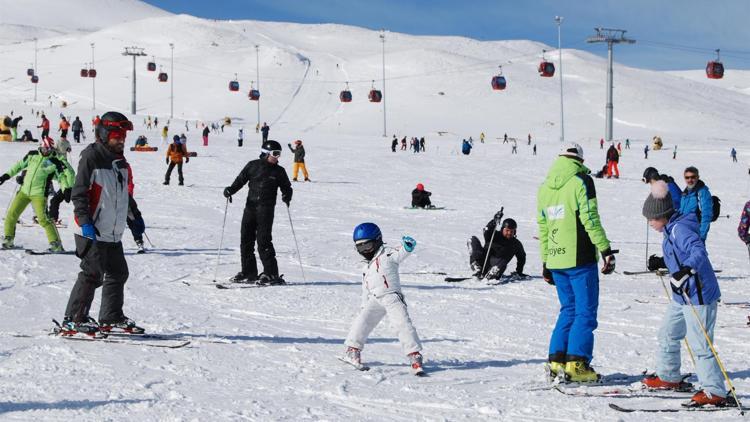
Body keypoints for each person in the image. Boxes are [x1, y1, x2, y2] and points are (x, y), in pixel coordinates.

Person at [641, 181, 728, 407]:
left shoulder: (680, 229)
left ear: (663, 215)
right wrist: (662, 262)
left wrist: (686, 270)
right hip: (682, 295)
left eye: (652, 219)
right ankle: (669, 376)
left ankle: (715, 390)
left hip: (698, 296)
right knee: (668, 333)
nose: (650, 223)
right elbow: (678, 256)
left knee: (700, 344)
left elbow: (698, 251)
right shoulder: (670, 229)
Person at [537, 142, 615, 382]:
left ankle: (556, 361)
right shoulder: (581, 180)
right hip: (579, 257)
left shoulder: (545, 187)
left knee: (568, 309)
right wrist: (605, 249)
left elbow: (544, 226)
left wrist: (546, 261)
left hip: (556, 258)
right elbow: (590, 218)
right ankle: (577, 364)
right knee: (585, 311)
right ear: (580, 160)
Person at [61, 111, 143, 335]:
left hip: (112, 230)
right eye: (117, 134)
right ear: (104, 134)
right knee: (92, 273)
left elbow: (124, 195)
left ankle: (111, 316)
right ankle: (74, 318)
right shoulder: (91, 157)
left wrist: (135, 217)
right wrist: (85, 222)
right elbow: (79, 193)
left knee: (118, 273)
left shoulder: (121, 162)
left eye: (124, 135)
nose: (122, 139)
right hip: (91, 229)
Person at [341, 223, 424, 375]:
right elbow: (365, 289)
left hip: (392, 296)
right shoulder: (366, 267)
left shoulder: (387, 254)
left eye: (367, 246)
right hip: (375, 299)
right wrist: (364, 305)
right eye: (360, 248)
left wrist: (407, 246)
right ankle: (352, 350)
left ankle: (414, 355)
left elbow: (401, 252)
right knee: (362, 322)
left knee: (402, 325)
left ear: (378, 240)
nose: (365, 251)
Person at [223, 140, 292, 284]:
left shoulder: (279, 171)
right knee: (246, 240)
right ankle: (249, 272)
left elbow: (287, 187)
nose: (277, 157)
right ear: (266, 153)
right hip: (250, 208)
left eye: (279, 154)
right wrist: (231, 190)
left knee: (263, 241)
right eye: (275, 154)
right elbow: (240, 180)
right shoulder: (252, 166)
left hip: (266, 210)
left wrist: (287, 195)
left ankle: (271, 273)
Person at [0, 137, 71, 251]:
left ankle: (56, 244)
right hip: (24, 192)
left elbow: (62, 178)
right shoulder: (32, 155)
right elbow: (18, 166)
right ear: (41, 146)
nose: (45, 151)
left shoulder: (54, 161)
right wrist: (6, 176)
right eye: (44, 148)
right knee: (11, 214)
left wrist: (66, 189)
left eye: (48, 149)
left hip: (39, 194)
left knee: (43, 219)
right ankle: (8, 240)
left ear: (51, 149)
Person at [468, 214, 526, 281]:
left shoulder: (516, 244)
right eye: (507, 230)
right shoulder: (494, 235)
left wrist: (519, 271)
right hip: (483, 260)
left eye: (512, 231)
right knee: (472, 239)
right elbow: (486, 230)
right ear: (502, 229)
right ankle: (477, 268)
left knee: (503, 261)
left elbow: (522, 257)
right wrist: (494, 221)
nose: (509, 233)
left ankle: (491, 276)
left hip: (496, 266)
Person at [678, 166, 713, 241]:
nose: (690, 180)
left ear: (698, 177)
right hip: (683, 233)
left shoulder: (702, 192)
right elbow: (681, 212)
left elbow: (706, 215)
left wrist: (701, 236)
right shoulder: (685, 193)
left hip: (695, 235)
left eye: (692, 177)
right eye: (687, 177)